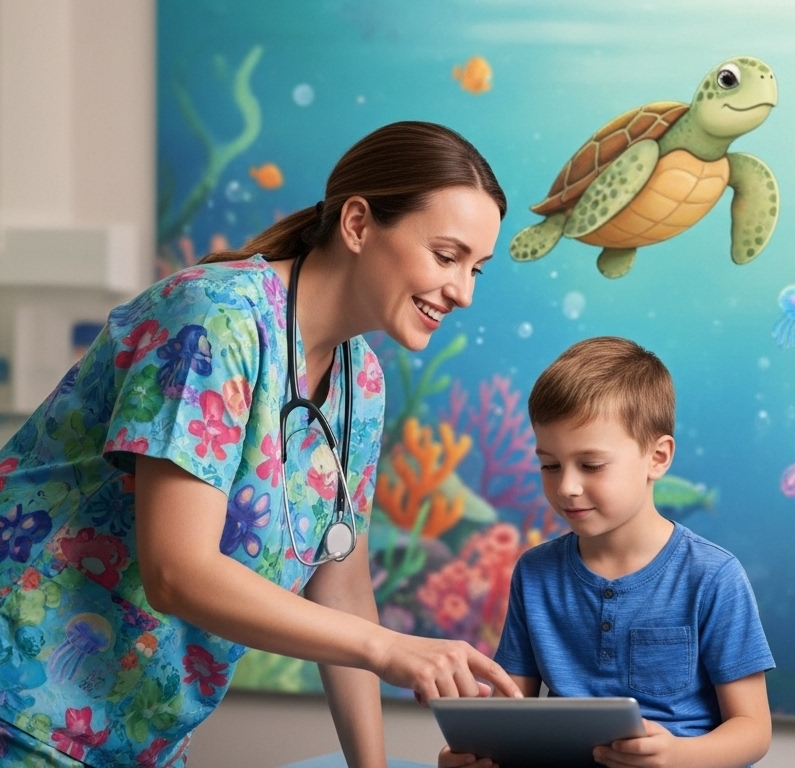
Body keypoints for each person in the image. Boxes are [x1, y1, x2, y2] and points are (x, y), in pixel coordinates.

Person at [0, 121, 522, 768]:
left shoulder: (359, 381)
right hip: (20, 703)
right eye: (447, 257)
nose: (464, 291)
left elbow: (342, 587)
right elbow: (176, 571)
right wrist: (389, 648)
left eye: (477, 268)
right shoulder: (212, 320)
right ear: (358, 224)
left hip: (134, 736)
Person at [438, 337, 774, 768]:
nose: (566, 487)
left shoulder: (714, 576)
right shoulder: (534, 572)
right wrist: (475, 753)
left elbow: (753, 729)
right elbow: (510, 713)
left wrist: (677, 756)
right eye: (550, 465)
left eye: (591, 465)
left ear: (657, 457)